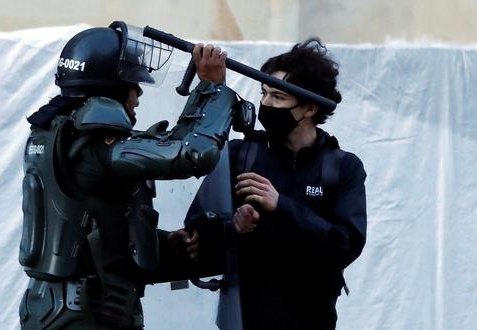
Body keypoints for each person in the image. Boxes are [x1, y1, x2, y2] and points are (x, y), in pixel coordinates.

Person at [18, 21, 239, 329]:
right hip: (87, 313)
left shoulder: (55, 135)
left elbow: (91, 227)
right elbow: (192, 154)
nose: (138, 96)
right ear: (112, 88)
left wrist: (160, 243)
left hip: (59, 308)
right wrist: (212, 87)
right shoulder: (94, 145)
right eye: (135, 86)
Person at [185, 38, 367, 329]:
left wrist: (281, 205)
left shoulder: (343, 167)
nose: (266, 104)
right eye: (264, 93)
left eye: (278, 97)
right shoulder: (239, 155)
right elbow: (195, 233)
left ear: (308, 108)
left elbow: (346, 245)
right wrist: (233, 227)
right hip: (241, 320)